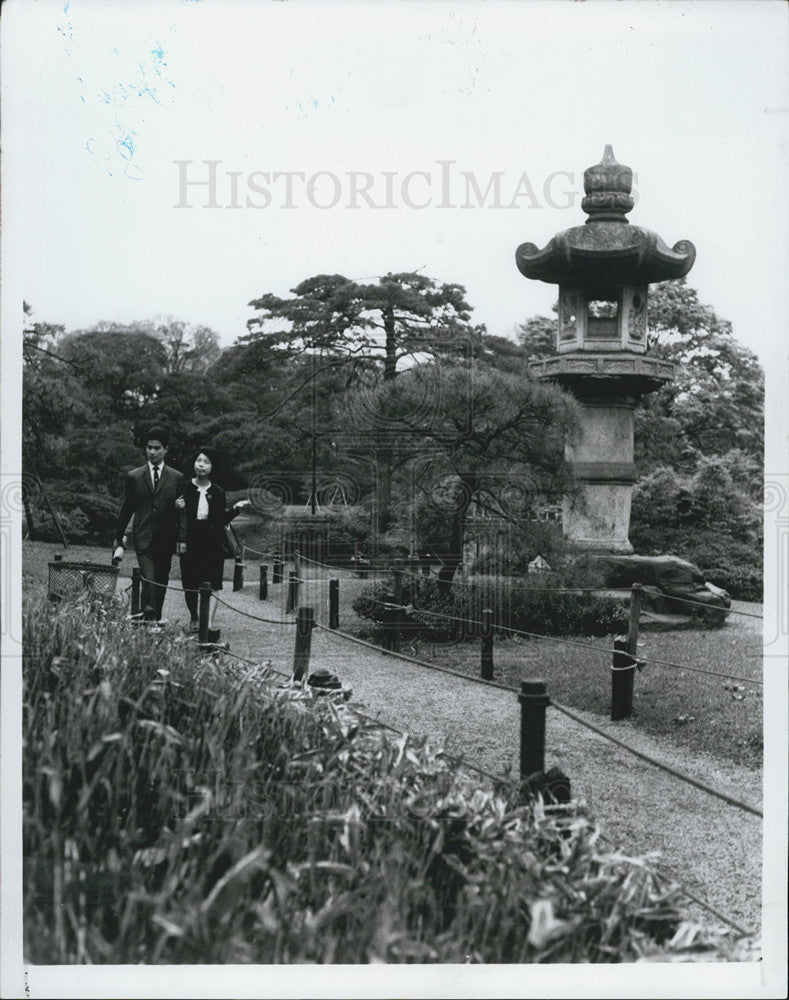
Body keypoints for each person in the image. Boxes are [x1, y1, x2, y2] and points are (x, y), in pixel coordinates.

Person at [113, 427, 186, 622]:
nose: (152, 452)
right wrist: (119, 536)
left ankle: (155, 620)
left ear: (166, 450)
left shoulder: (177, 477)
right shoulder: (134, 476)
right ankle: (147, 617)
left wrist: (181, 538)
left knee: (161, 580)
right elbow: (127, 508)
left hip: (166, 538)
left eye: (157, 448)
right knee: (149, 578)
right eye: (149, 448)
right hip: (143, 536)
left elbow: (182, 512)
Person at [176, 447, 250, 635]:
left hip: (212, 543)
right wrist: (176, 507)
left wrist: (236, 508)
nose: (201, 464)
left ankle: (207, 624)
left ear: (212, 467)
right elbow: (177, 519)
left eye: (206, 462)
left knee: (214, 584)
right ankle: (194, 617)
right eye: (199, 460)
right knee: (190, 584)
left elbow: (220, 521)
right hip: (190, 542)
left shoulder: (217, 492)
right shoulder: (184, 487)